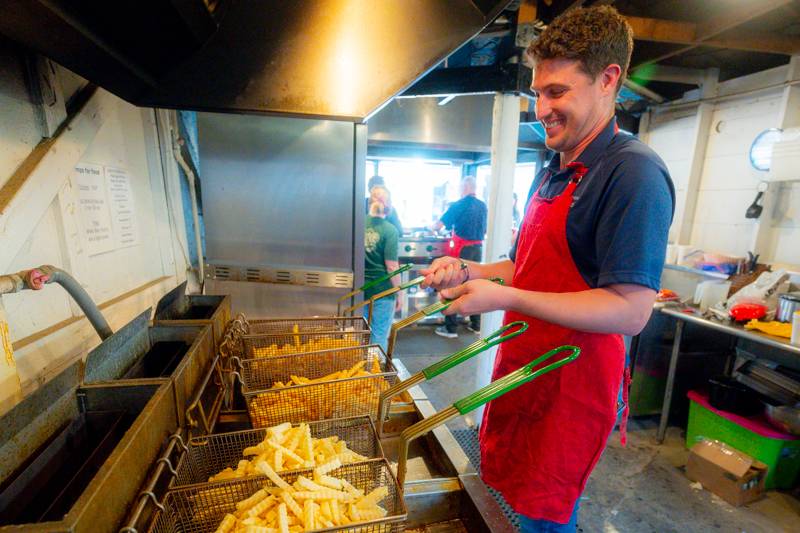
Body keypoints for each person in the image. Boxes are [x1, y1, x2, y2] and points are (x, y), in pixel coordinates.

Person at [421, 6, 674, 532]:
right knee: (502, 505)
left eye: (556, 92)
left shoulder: (634, 174)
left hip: (570, 389)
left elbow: (630, 310)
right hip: (525, 370)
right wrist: (469, 272)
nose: (542, 108)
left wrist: (506, 299)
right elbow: (521, 267)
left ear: (609, 80)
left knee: (544, 518)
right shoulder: (554, 168)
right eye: (537, 93)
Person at [430, 175, 487, 338]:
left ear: (464, 188)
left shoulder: (459, 205)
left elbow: (438, 226)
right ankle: (476, 325)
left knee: (452, 284)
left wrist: (431, 227)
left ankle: (450, 329)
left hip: (462, 251)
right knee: (475, 284)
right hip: (478, 249)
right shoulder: (483, 206)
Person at [364, 186, 402, 351]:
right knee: (378, 336)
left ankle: (356, 373)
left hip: (360, 290)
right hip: (383, 291)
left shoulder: (358, 224)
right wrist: (399, 293)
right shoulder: (390, 230)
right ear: (388, 205)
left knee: (359, 334)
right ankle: (374, 374)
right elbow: (392, 266)